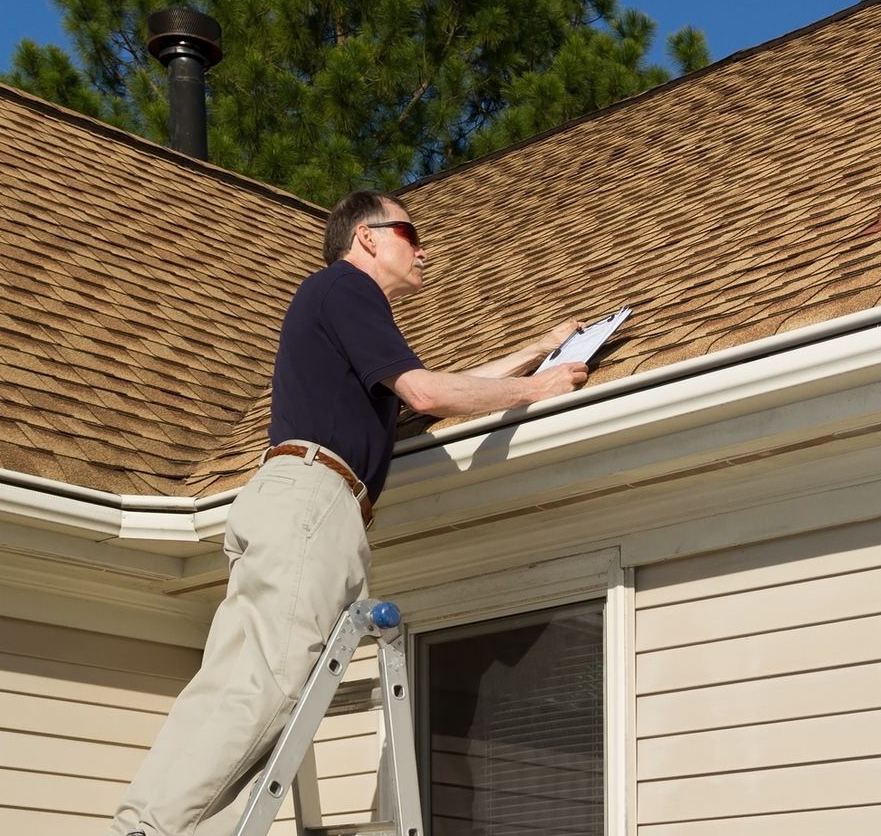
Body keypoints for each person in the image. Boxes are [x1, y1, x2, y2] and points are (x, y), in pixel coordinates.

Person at [110, 189, 589, 836]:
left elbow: (423, 394)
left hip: (306, 504)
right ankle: (144, 829)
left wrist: (541, 351)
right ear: (366, 237)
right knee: (262, 685)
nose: (424, 248)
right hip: (314, 501)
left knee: (266, 696)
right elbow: (426, 390)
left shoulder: (342, 319)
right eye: (410, 233)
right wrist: (543, 388)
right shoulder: (344, 287)